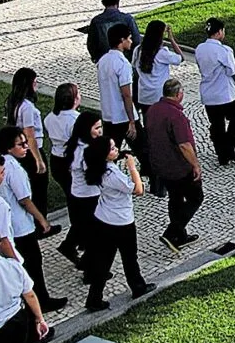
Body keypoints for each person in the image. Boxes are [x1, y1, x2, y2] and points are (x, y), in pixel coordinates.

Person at [0, 125, 66, 312]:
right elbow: (25, 199)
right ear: (9, 148)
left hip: (11, 226)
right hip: (21, 226)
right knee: (33, 263)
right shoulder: (13, 169)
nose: (26, 147)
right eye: (21, 144)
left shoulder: (1, 165)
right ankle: (41, 300)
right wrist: (42, 220)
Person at [80, 133, 150, 312]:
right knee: (129, 256)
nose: (116, 149)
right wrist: (133, 167)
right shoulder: (113, 175)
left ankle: (94, 298)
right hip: (121, 221)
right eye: (112, 148)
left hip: (103, 218)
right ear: (104, 154)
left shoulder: (100, 169)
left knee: (103, 260)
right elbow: (138, 189)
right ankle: (138, 287)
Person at [141, 76, 204, 254]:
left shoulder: (153, 110)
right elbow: (184, 145)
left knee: (175, 198)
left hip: (160, 164)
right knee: (195, 197)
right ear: (178, 94)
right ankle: (172, 232)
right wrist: (196, 165)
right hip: (178, 166)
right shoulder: (176, 116)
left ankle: (181, 236)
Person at [194, 19, 235, 165]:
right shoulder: (224, 50)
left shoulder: (199, 49)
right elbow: (233, 71)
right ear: (220, 31)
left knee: (217, 125)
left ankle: (222, 154)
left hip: (208, 94)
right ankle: (228, 149)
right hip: (226, 94)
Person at [65, 113, 108, 277]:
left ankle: (86, 263)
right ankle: (92, 272)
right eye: (97, 128)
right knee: (95, 236)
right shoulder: (86, 151)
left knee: (89, 232)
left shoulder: (75, 145)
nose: (100, 131)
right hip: (89, 197)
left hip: (77, 194)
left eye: (101, 127)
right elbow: (94, 176)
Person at [97, 27, 140, 142]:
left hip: (108, 114)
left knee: (110, 151)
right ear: (122, 40)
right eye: (129, 38)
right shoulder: (123, 64)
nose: (131, 41)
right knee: (143, 151)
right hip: (123, 116)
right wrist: (132, 121)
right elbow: (126, 94)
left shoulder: (102, 61)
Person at [135, 18, 184, 114]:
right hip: (159, 95)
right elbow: (181, 58)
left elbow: (134, 67)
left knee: (148, 124)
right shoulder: (162, 53)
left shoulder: (138, 50)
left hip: (144, 95)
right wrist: (171, 39)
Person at [5, 68, 47, 178]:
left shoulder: (14, 101)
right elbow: (30, 135)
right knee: (38, 182)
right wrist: (38, 159)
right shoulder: (27, 107)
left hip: (22, 148)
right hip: (31, 150)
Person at [85, 0, 135, 64]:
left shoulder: (96, 21)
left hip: (104, 60)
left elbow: (91, 44)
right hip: (126, 59)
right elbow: (136, 40)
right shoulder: (127, 19)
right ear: (118, 1)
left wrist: (97, 59)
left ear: (103, 2)